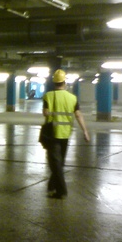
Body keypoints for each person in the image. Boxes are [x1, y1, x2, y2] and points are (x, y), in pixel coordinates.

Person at [42, 69, 90, 199]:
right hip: (66, 133)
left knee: (55, 163)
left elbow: (45, 113)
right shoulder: (72, 98)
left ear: (54, 82)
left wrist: (51, 111)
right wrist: (85, 131)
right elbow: (78, 115)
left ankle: (61, 190)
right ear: (65, 82)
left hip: (52, 133)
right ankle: (52, 185)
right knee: (59, 162)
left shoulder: (48, 96)